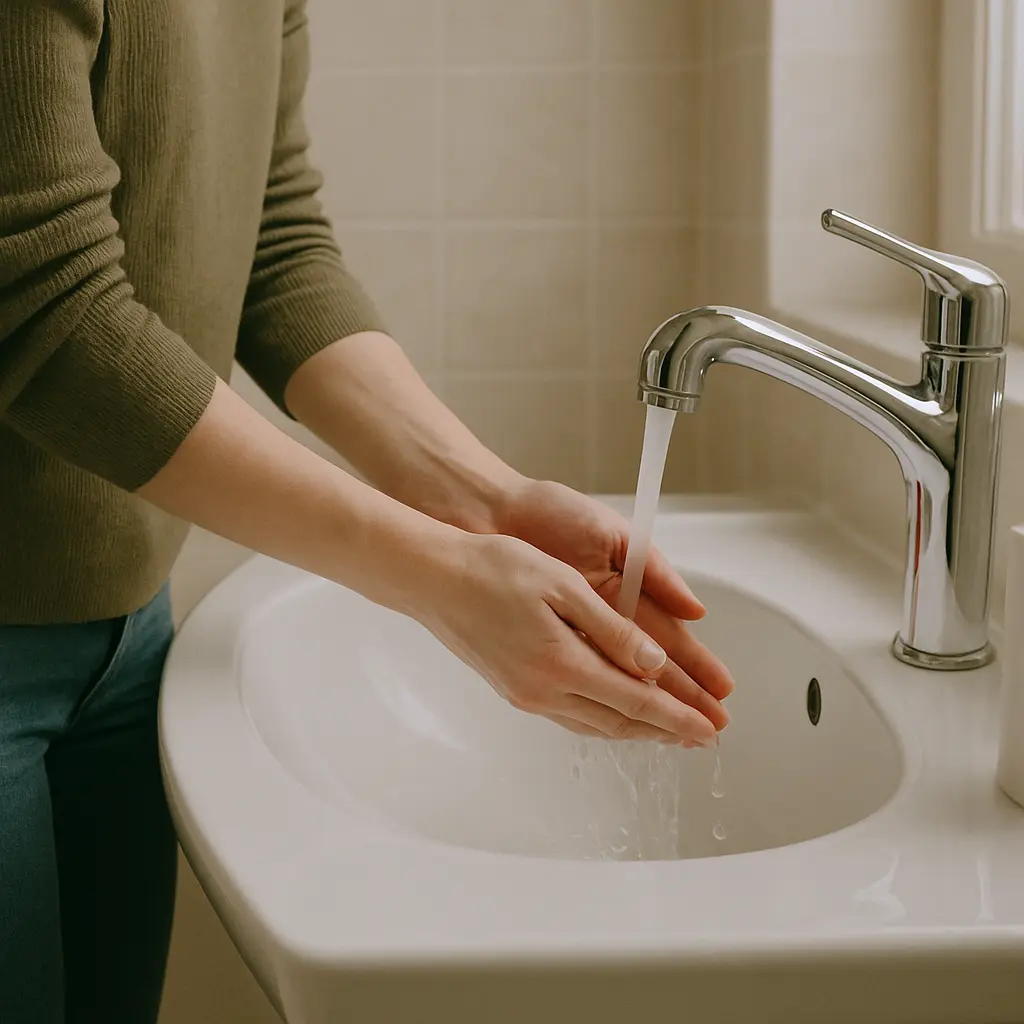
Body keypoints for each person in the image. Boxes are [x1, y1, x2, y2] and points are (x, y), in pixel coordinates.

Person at [0, 2, 734, 1021]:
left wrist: (490, 501)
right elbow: (44, 305)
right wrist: (435, 575)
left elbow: (274, 241)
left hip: (128, 627)